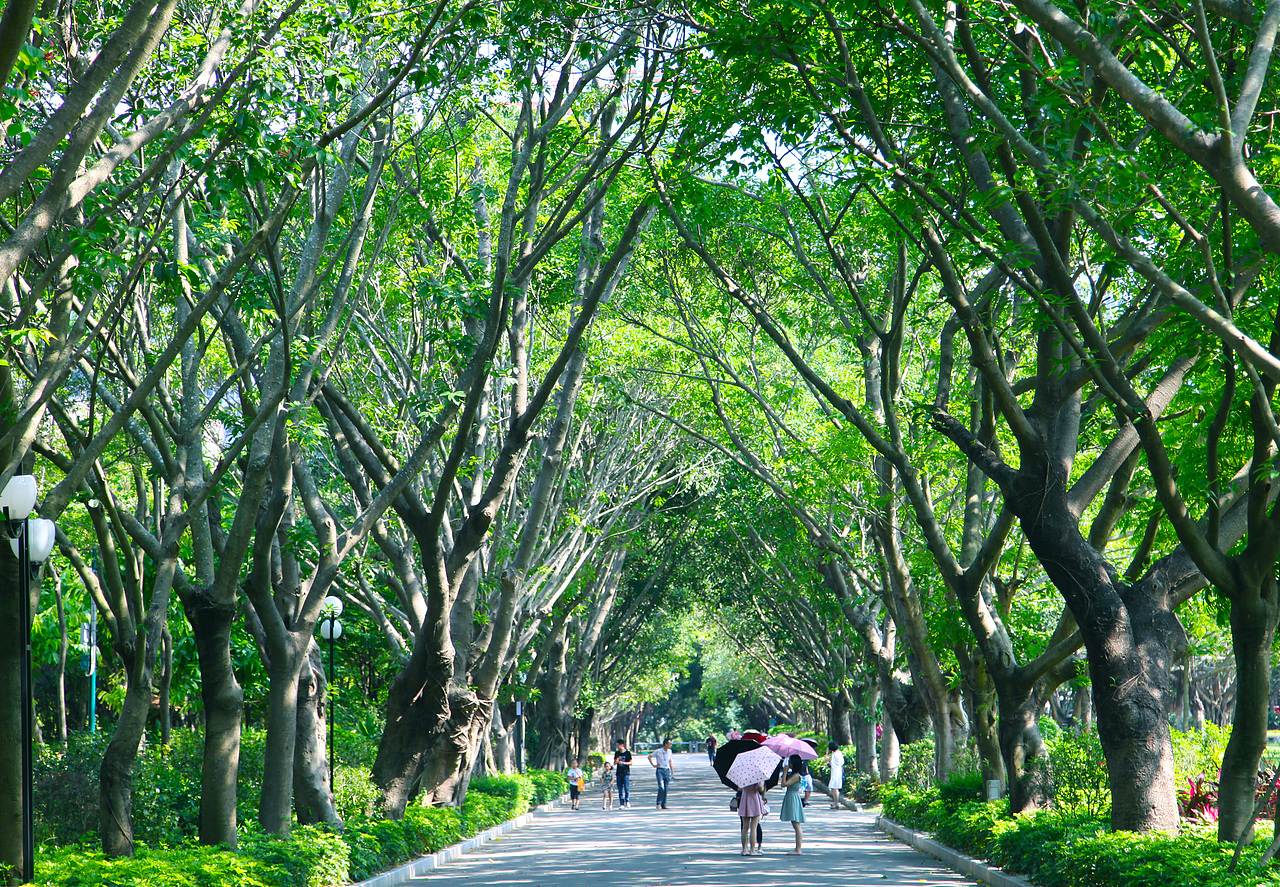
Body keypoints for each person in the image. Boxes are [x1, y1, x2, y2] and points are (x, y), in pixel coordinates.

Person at [779, 755, 806, 854]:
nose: (788, 764)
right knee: (795, 824)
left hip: (793, 798)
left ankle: (798, 848)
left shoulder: (796, 776)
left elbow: (784, 784)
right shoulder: (793, 774)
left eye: (790, 762)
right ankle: (797, 848)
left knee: (796, 824)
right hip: (791, 796)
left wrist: (785, 772)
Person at [738, 781, 767, 856]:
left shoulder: (743, 775)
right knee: (753, 827)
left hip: (744, 798)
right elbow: (761, 789)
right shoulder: (758, 776)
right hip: (754, 799)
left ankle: (744, 849)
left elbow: (740, 788)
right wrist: (762, 786)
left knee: (745, 827)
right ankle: (752, 850)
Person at [648, 738, 676, 809]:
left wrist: (672, 772)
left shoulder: (670, 751)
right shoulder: (658, 751)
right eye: (669, 744)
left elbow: (670, 761)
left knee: (666, 788)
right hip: (660, 770)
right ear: (666, 744)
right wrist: (653, 765)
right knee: (661, 787)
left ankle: (664, 804)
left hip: (667, 770)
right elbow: (649, 757)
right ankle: (658, 803)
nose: (670, 745)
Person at [613, 739, 634, 808]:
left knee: (626, 788)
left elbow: (631, 763)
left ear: (622, 745)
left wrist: (624, 763)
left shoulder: (627, 753)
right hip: (619, 773)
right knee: (620, 789)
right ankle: (621, 803)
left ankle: (627, 801)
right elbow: (615, 761)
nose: (617, 747)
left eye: (618, 745)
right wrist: (616, 762)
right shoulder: (617, 753)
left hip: (625, 773)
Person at [828, 741, 845, 809]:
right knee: (835, 788)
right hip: (839, 771)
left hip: (835, 772)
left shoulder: (834, 754)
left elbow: (826, 760)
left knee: (834, 788)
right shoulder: (840, 753)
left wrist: (826, 753)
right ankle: (836, 802)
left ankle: (836, 803)